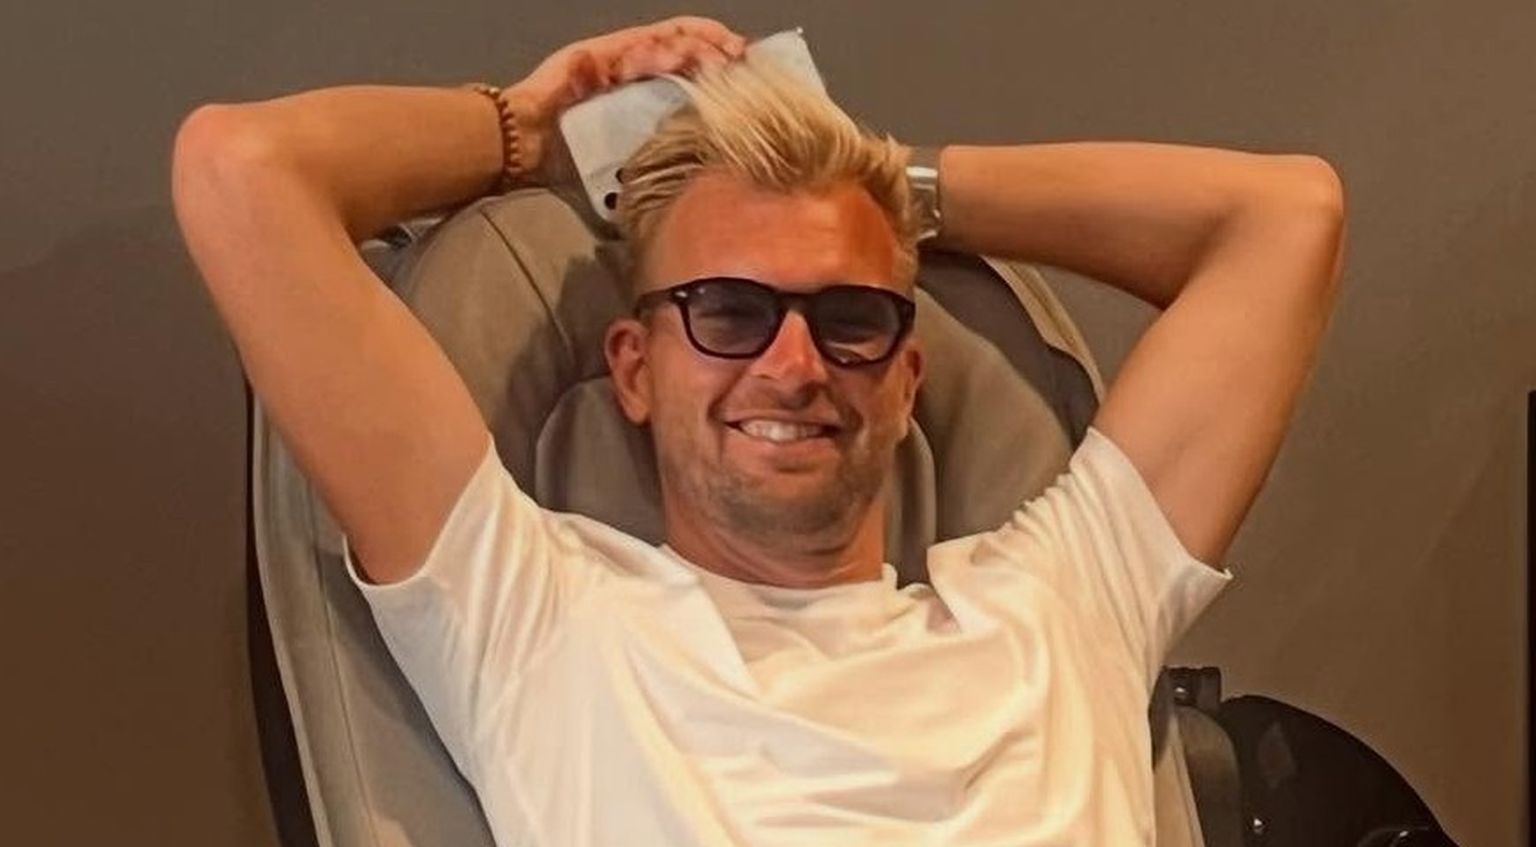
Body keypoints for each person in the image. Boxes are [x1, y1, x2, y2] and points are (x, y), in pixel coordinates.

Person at [172, 16, 1345, 846]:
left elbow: (1286, 216)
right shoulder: (535, 614)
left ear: (906, 377)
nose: (793, 366)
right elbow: (242, 169)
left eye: (849, 319)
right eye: (728, 312)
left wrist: (889, 187)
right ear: (634, 368)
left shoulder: (1062, 602)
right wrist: (531, 126)